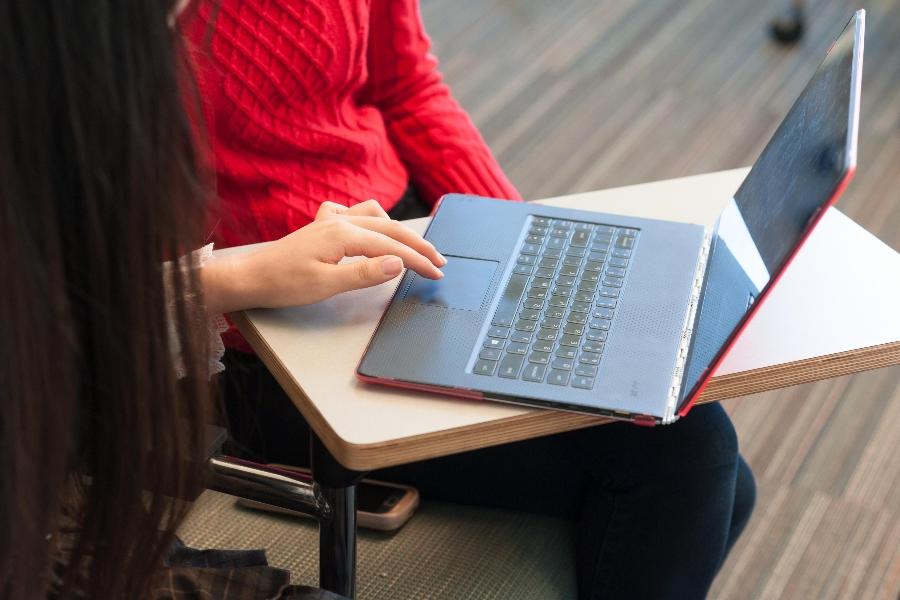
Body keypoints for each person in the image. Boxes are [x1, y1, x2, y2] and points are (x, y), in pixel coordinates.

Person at [181, 1, 757, 598]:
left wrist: (517, 237)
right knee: (694, 464)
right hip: (267, 334)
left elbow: (406, 86)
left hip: (414, 241)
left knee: (706, 469)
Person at [0, 1, 442, 598]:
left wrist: (506, 235)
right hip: (256, 347)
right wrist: (232, 278)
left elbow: (411, 83)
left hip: (367, 247)